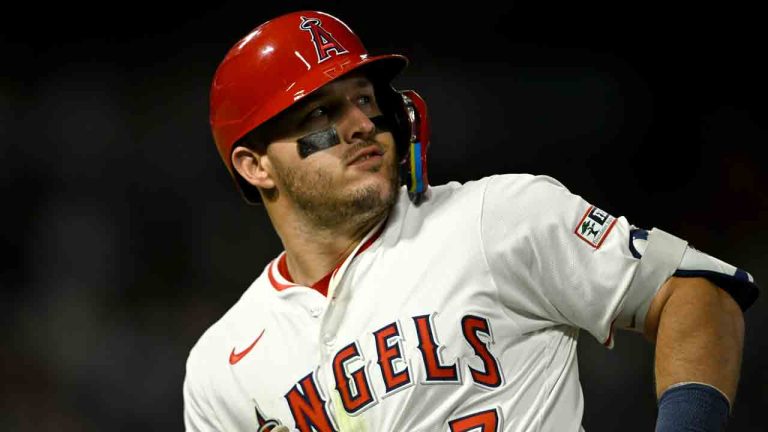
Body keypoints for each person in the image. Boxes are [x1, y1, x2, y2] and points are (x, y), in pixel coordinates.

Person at [183, 10, 759, 432]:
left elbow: (694, 292)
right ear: (255, 165)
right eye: (320, 112)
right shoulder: (223, 367)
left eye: (363, 99)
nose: (360, 123)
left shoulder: (494, 218)